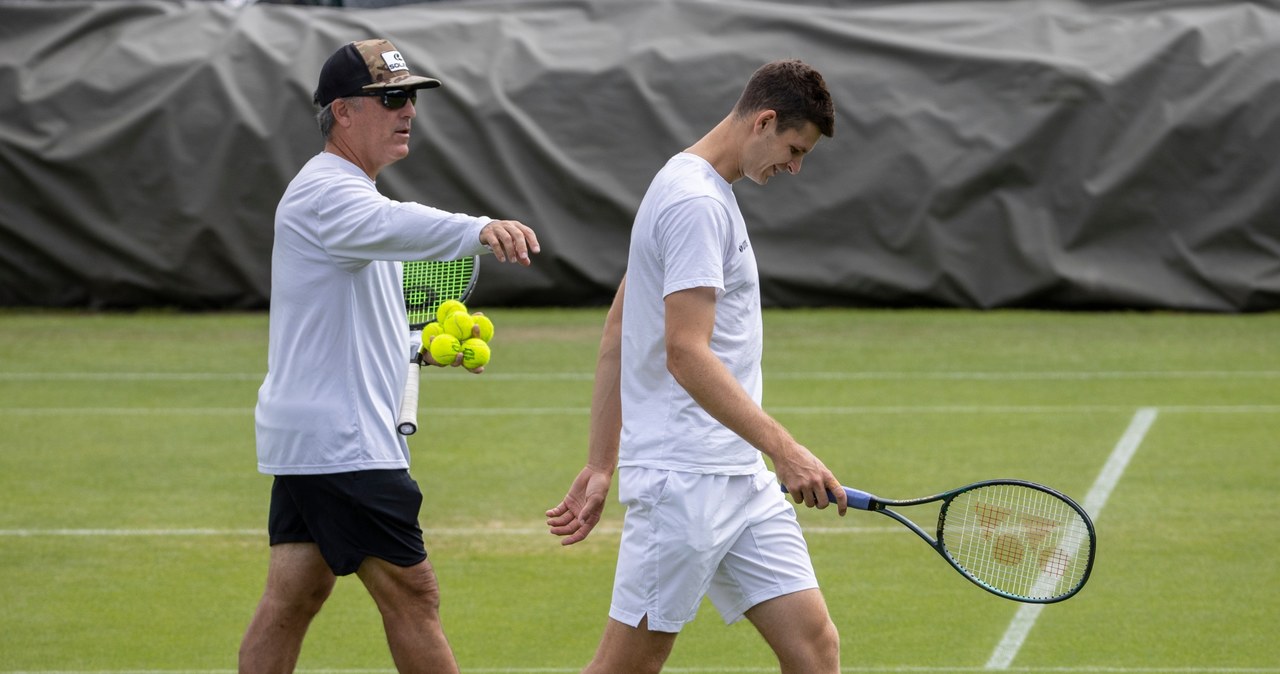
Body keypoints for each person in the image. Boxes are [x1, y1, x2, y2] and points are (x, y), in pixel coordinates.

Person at [240, 39, 539, 674]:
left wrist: (420, 349)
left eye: (410, 98)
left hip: (313, 437)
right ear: (342, 112)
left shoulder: (352, 201)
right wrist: (476, 230)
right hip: (345, 442)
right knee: (414, 594)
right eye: (391, 98)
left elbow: (347, 324)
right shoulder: (330, 194)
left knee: (294, 597)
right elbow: (402, 224)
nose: (407, 111)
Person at [545, 59, 847, 674]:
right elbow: (685, 352)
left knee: (815, 650)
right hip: (684, 482)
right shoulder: (693, 202)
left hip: (738, 476)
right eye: (794, 148)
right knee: (627, 667)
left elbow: (617, 332)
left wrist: (602, 463)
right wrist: (787, 451)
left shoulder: (688, 185)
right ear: (764, 121)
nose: (795, 166)